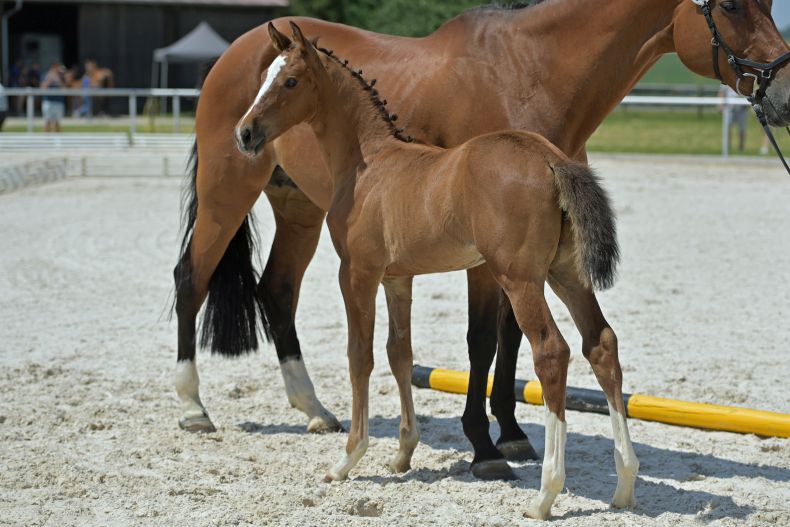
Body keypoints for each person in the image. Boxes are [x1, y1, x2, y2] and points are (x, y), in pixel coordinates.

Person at [719, 85, 748, 153]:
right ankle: (727, 146)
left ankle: (741, 148)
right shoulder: (726, 78)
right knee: (727, 127)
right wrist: (720, 105)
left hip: (742, 108)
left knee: (742, 129)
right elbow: (721, 92)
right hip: (729, 107)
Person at [41, 62, 66, 132]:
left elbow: (64, 89)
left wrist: (58, 79)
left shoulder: (61, 76)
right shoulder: (46, 75)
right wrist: (50, 79)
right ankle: (45, 140)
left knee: (57, 123)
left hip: (59, 102)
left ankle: (58, 140)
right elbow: (43, 87)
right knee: (47, 121)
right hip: (48, 102)